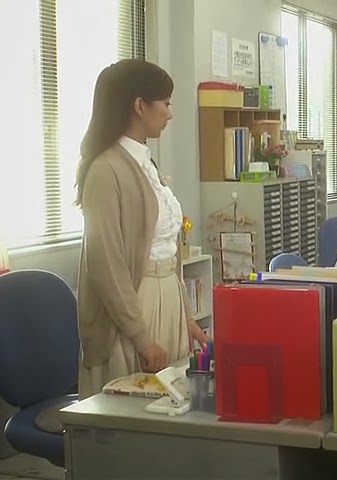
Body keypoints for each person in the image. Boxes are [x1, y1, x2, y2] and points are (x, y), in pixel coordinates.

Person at [75, 59, 207, 399]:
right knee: (136, 404)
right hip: (133, 305)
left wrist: (186, 316)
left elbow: (167, 249)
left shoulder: (145, 163)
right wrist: (141, 336)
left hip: (168, 297)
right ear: (139, 106)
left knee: (174, 401)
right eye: (166, 103)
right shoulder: (106, 170)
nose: (170, 114)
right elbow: (107, 264)